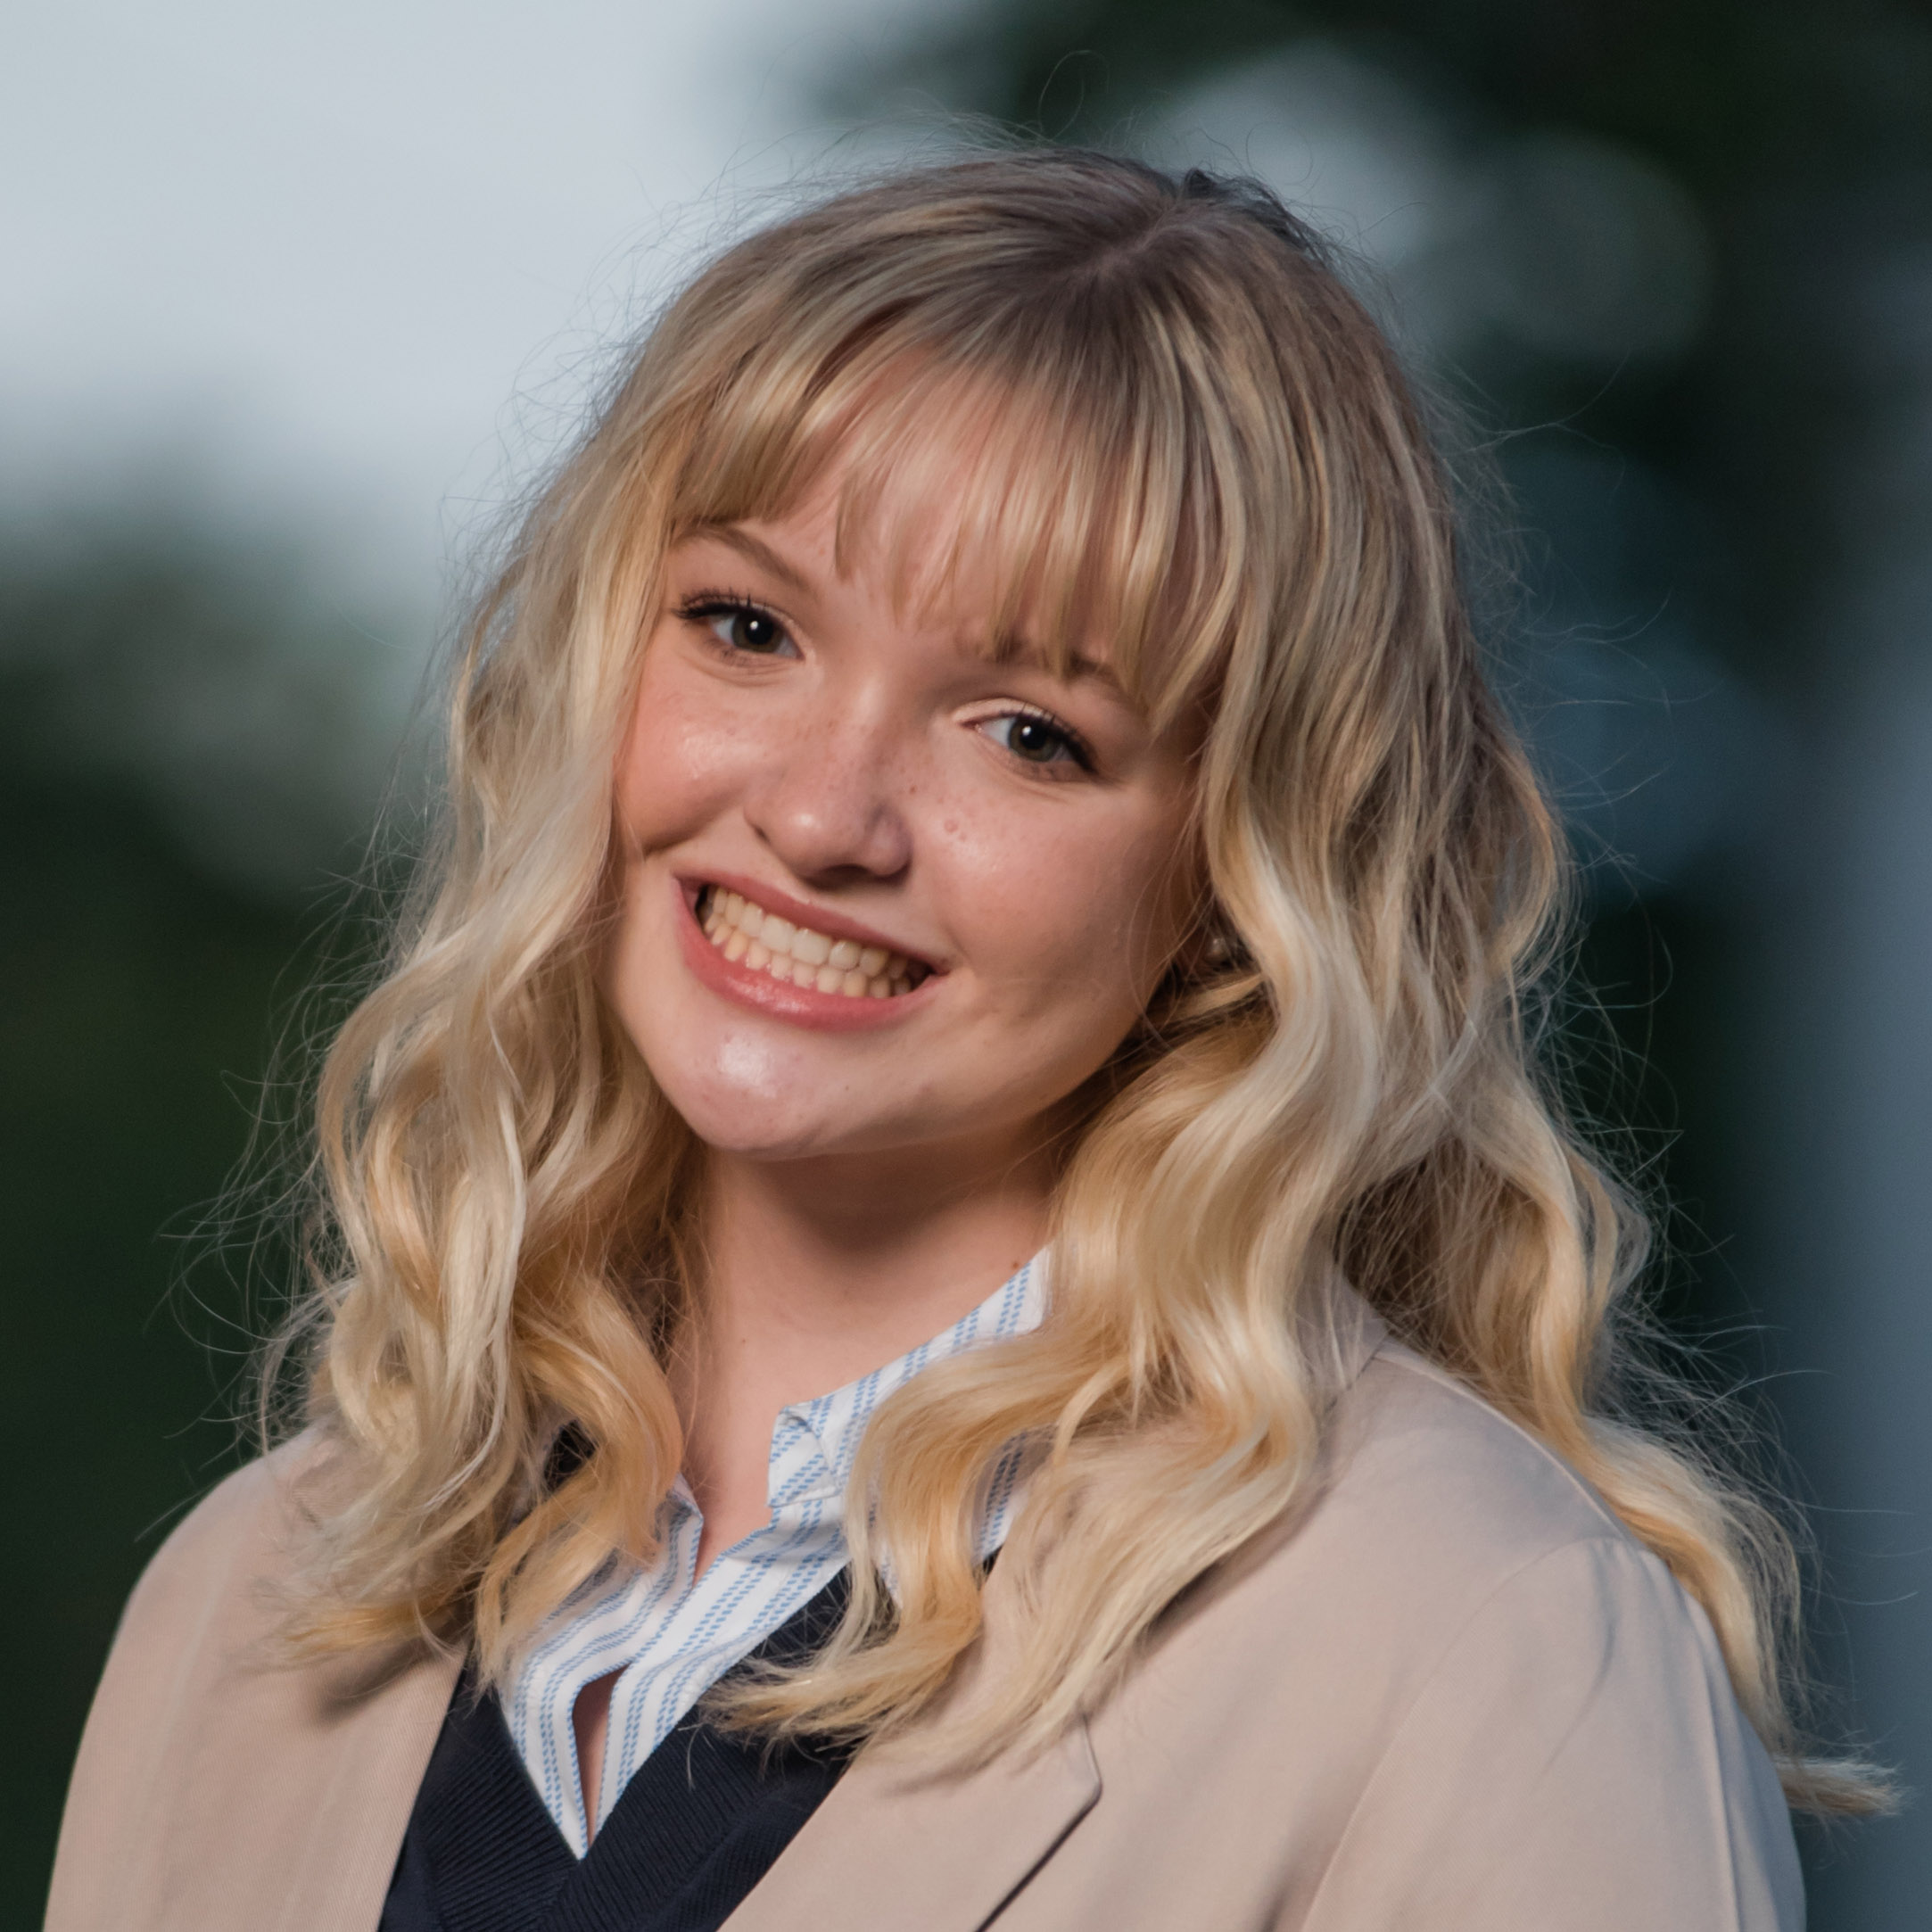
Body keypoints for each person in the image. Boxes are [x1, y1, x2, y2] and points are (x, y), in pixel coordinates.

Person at [45, 150, 1880, 1932]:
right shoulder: (245, 1604)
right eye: (746, 627)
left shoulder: (1492, 1649)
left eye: (1029, 732)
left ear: (1242, 887)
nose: (829, 815)